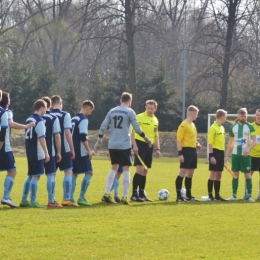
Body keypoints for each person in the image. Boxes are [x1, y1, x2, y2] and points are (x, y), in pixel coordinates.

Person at [95, 92, 151, 205]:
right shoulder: (130, 112)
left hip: (112, 144)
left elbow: (103, 126)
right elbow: (137, 128)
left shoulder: (112, 111)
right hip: (124, 145)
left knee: (113, 168)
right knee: (126, 170)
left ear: (121, 100)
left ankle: (106, 193)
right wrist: (146, 137)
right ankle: (125, 196)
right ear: (130, 102)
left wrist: (99, 140)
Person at [0, 92, 34, 208]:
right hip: (4, 146)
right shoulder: (6, 112)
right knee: (12, 171)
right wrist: (26, 126)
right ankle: (6, 197)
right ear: (7, 101)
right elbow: (10, 124)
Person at [20, 99, 50, 208]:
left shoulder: (29, 119)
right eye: (46, 108)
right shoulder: (40, 120)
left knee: (30, 175)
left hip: (29, 151)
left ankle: (24, 199)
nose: (46, 110)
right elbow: (41, 138)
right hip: (37, 151)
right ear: (41, 108)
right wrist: (46, 153)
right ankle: (33, 201)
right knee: (36, 176)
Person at [130, 100, 160, 202]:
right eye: (148, 108)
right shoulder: (139, 117)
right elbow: (132, 133)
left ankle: (142, 193)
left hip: (149, 146)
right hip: (139, 144)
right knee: (139, 169)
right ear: (145, 107)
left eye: (152, 108)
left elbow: (156, 136)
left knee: (145, 170)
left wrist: (158, 149)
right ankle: (134, 194)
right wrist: (134, 145)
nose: (150, 110)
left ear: (155, 109)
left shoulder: (156, 120)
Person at [225, 108, 257, 202]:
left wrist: (248, 148)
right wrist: (227, 155)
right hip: (235, 155)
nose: (243, 118)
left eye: (245, 116)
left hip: (245, 156)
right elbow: (230, 142)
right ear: (238, 116)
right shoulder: (233, 127)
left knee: (247, 175)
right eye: (242, 116)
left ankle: (249, 195)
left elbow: (255, 141)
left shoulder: (250, 127)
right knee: (235, 175)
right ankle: (233, 195)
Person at [50, 95, 76, 206]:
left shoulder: (48, 115)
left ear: (51, 104)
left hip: (51, 148)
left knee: (52, 174)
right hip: (64, 148)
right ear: (61, 102)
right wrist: (72, 148)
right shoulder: (65, 115)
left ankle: (51, 200)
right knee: (68, 172)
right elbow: (67, 133)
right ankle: (66, 199)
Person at [175, 105, 201, 202]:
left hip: (193, 151)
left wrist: (196, 144)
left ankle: (189, 195)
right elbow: (179, 140)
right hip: (185, 151)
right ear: (192, 114)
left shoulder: (192, 125)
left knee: (190, 174)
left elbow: (190, 138)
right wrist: (180, 153)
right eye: (196, 114)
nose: (197, 116)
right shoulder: (183, 125)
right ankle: (178, 196)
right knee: (182, 173)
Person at [71, 100, 94, 206]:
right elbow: (82, 136)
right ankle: (81, 198)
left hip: (72, 150)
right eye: (90, 111)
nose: (90, 113)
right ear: (87, 108)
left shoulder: (73, 118)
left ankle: (70, 198)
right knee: (89, 172)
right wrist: (89, 150)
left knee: (73, 174)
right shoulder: (83, 119)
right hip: (81, 151)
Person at [41, 96, 62, 208]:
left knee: (32, 176)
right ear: (49, 105)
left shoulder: (34, 118)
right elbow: (57, 136)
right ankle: (51, 200)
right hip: (50, 150)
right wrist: (59, 151)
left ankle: (27, 199)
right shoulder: (53, 118)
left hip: (36, 151)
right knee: (51, 175)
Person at [207, 109, 227, 201]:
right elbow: (210, 143)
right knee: (213, 174)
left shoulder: (222, 128)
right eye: (225, 117)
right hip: (215, 152)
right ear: (222, 117)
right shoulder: (213, 128)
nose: (225, 118)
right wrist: (211, 156)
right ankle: (210, 196)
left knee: (219, 174)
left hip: (221, 152)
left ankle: (217, 196)